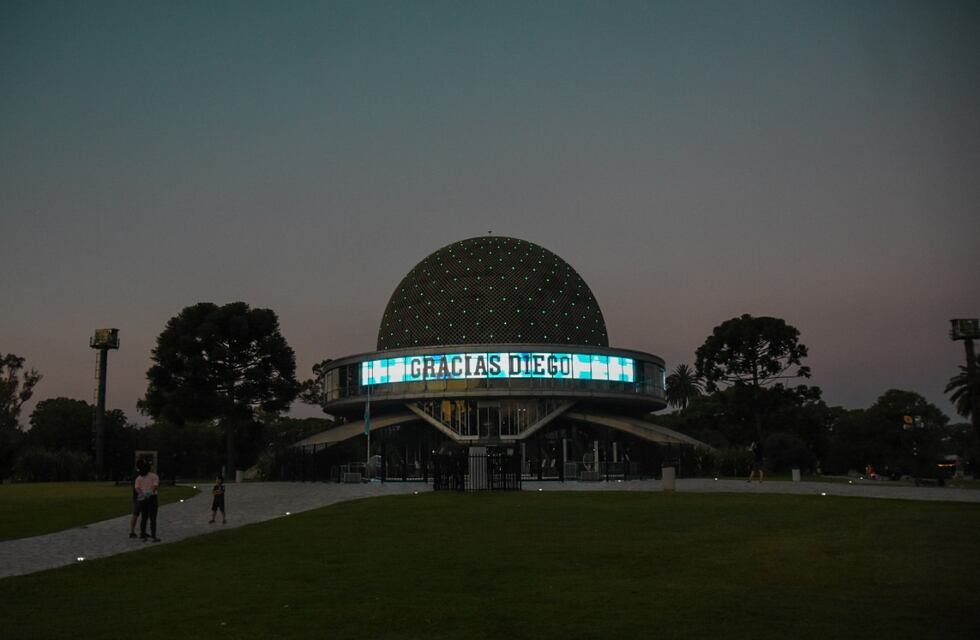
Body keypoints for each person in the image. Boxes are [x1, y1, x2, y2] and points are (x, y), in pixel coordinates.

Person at [135, 460, 160, 542]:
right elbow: (155, 486)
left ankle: (143, 534)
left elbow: (137, 488)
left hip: (142, 499)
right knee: (153, 518)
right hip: (152, 498)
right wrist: (149, 494)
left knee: (144, 517)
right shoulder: (154, 476)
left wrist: (142, 494)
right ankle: (153, 536)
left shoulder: (139, 478)